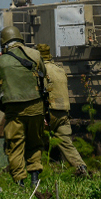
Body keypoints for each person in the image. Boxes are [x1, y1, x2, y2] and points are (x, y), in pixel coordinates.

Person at [0, 26, 47, 187]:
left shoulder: (1, 61)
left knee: (15, 145)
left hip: (14, 110)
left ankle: (19, 182)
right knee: (35, 142)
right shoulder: (35, 54)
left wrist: (0, 60)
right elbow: (43, 72)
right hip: (36, 106)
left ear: (4, 43)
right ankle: (34, 178)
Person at [37, 44, 87, 175]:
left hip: (48, 113)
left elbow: (40, 94)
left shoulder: (40, 71)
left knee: (36, 143)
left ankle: (34, 175)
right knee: (67, 144)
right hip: (63, 113)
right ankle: (81, 168)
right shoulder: (60, 70)